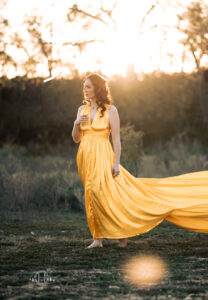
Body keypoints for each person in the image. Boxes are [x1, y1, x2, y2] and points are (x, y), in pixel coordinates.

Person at [72, 73, 208, 249]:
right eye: (84, 86)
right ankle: (98, 238)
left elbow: (117, 141)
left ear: (97, 88)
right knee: (92, 195)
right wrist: (76, 123)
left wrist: (116, 163)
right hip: (85, 157)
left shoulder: (111, 111)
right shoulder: (80, 110)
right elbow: (76, 138)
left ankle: (121, 236)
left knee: (105, 194)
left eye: (88, 86)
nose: (85, 89)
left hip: (103, 155)